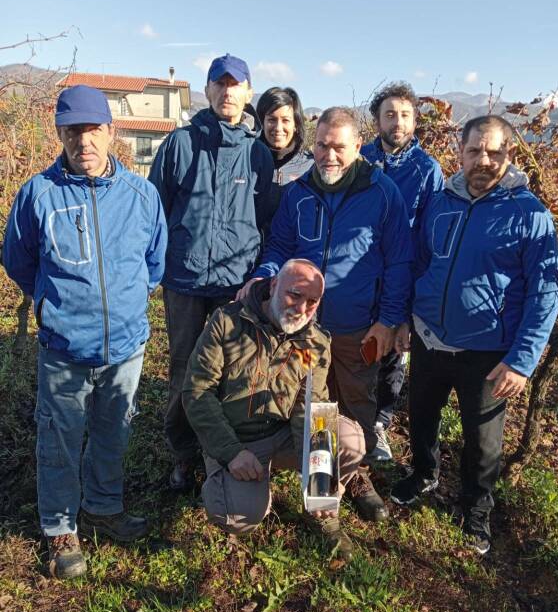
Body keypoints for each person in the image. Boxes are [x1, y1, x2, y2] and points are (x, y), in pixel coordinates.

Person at [3, 85, 167, 579]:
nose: (84, 142)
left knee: (114, 430)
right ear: (60, 134)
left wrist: (127, 301)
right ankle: (60, 528)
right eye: (73, 131)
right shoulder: (39, 194)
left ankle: (103, 505)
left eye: (93, 130)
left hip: (125, 345)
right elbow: (19, 261)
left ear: (111, 132)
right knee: (59, 437)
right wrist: (58, 306)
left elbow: (154, 264)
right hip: (64, 347)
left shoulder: (142, 196)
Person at [390, 115, 558, 555]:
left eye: (493, 152)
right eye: (474, 151)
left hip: (487, 352)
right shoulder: (440, 203)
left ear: (509, 154)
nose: (483, 160)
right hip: (429, 338)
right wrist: (410, 318)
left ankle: (476, 510)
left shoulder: (530, 215)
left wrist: (523, 360)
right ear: (460, 153)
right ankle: (424, 473)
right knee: (423, 416)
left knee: (483, 441)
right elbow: (419, 262)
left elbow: (545, 294)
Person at [239, 107, 413, 522]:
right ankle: (322, 493)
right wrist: (264, 277)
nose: (329, 155)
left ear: (357, 146)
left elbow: (399, 261)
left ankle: (355, 475)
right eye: (321, 145)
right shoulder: (299, 194)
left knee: (358, 401)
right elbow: (279, 247)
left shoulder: (382, 193)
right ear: (312, 144)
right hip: (306, 328)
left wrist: (388, 319)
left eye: (338, 146)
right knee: (317, 405)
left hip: (360, 326)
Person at [148, 54, 274, 491]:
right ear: (207, 90)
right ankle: (183, 455)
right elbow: (155, 212)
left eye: (235, 84)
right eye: (218, 84)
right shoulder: (180, 145)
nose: (226, 92)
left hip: (234, 286)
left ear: (247, 93)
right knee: (184, 372)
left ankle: (221, 455)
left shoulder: (259, 155)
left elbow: (263, 219)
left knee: (231, 373)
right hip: (183, 280)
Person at [183, 259, 364, 559]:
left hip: (282, 435)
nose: (302, 308)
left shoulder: (314, 343)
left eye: (312, 302)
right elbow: (198, 392)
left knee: (350, 440)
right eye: (295, 295)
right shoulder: (227, 322)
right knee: (237, 516)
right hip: (236, 439)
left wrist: (321, 479)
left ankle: (321, 513)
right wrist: (231, 452)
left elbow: (314, 408)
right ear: (273, 286)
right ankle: (232, 478)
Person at [361, 82, 444, 463]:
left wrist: (414, 305)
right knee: (358, 347)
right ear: (377, 119)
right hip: (361, 273)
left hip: (404, 276)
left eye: (405, 114)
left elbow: (428, 236)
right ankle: (351, 417)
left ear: (415, 121)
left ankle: (378, 424)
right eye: (390, 114)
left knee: (394, 355)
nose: (398, 121)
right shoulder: (360, 159)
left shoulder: (427, 170)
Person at [255, 87, 313, 213]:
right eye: (271, 120)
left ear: (296, 125)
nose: (278, 128)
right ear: (262, 122)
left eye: (286, 120)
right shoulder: (249, 162)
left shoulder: (310, 167)